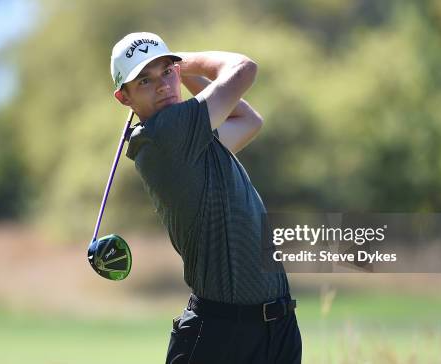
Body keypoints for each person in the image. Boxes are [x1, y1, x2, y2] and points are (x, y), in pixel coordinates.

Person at [110, 32, 302, 364]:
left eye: (166, 72)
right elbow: (242, 69)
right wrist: (185, 62)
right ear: (124, 98)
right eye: (144, 80)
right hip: (222, 335)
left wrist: (178, 72)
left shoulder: (191, 142)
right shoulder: (165, 135)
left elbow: (248, 121)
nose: (161, 85)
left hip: (276, 327)